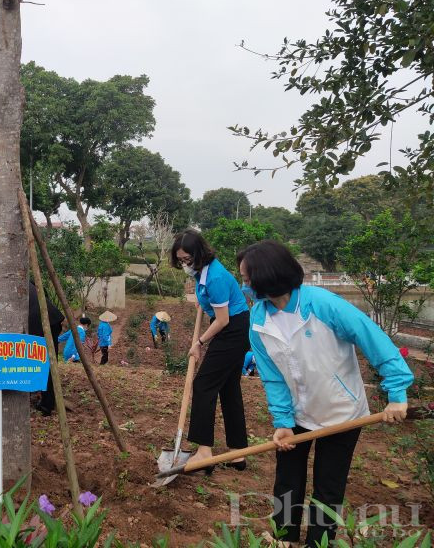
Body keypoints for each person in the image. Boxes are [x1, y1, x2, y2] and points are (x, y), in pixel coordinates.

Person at [237, 240, 413, 547]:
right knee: (287, 484)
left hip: (341, 413)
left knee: (327, 489)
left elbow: (373, 339)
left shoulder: (322, 304)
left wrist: (397, 392)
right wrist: (281, 421)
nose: (245, 285)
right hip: (296, 414)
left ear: (268, 276)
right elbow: (272, 376)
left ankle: (319, 543)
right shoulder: (259, 320)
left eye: (248, 279)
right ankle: (284, 540)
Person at [171, 229, 250, 473]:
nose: (185, 264)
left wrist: (200, 342)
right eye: (181, 260)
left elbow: (223, 320)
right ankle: (238, 453)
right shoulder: (203, 272)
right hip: (235, 326)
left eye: (187, 259)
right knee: (228, 388)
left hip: (232, 329)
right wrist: (202, 301)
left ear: (199, 254)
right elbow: (213, 301)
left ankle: (204, 452)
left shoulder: (213, 277)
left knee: (203, 385)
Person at [0, 267, 65, 416]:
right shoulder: (21, 281)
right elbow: (43, 292)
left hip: (42, 324)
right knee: (45, 361)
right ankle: (40, 394)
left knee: (45, 362)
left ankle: (47, 404)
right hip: (51, 319)